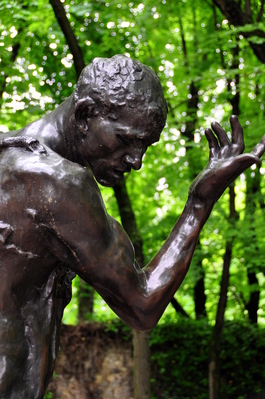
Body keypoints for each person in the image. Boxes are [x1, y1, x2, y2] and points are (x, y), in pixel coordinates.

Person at [0, 54, 264, 398]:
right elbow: (142, 303)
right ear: (84, 115)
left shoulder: (9, 155)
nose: (137, 161)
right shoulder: (59, 184)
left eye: (145, 146)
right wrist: (199, 204)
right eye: (125, 140)